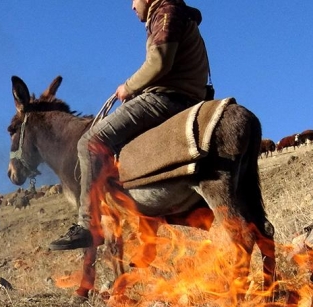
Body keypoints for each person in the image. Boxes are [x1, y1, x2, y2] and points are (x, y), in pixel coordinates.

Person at [49, 0, 211, 250]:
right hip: (187, 96)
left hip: (167, 98)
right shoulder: (177, 13)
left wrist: (129, 87)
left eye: (133, 0)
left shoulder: (165, 11)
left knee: (90, 142)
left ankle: (88, 225)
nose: (132, 7)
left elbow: (159, 62)